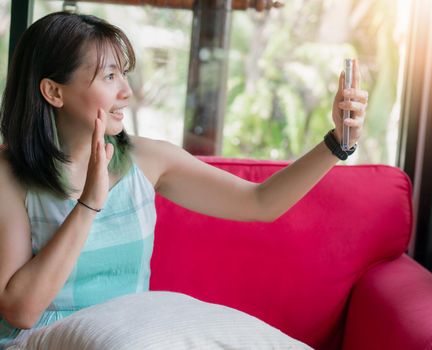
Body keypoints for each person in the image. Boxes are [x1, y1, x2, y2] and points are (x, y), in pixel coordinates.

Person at [0, 11, 368, 348]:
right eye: (110, 76)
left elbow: (260, 203)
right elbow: (21, 312)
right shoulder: (9, 176)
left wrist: (336, 143)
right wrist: (89, 203)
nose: (126, 91)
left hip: (134, 336)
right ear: (53, 91)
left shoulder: (148, 160)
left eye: (124, 74)